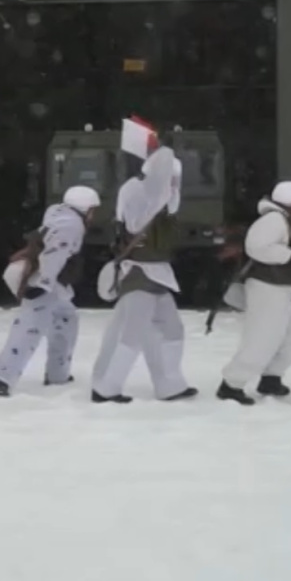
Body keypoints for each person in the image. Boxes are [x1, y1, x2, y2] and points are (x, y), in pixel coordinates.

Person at [90, 144, 197, 403]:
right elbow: (142, 214)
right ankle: (106, 387)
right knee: (131, 334)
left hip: (157, 272)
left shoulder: (155, 200)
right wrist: (162, 164)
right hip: (138, 273)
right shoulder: (138, 195)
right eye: (170, 178)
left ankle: (169, 385)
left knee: (171, 330)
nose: (174, 184)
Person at [0, 185, 100, 397]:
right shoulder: (71, 225)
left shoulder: (57, 213)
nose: (94, 215)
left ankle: (58, 373)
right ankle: (1, 377)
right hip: (46, 282)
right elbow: (55, 255)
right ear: (86, 208)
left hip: (55, 284)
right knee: (28, 328)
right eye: (93, 209)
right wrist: (42, 285)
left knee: (66, 321)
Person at [216, 181, 291, 404]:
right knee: (262, 338)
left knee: (289, 339)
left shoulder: (283, 220)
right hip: (269, 288)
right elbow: (256, 246)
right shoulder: (273, 220)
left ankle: (271, 378)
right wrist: (288, 255)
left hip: (283, 289)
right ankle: (232, 384)